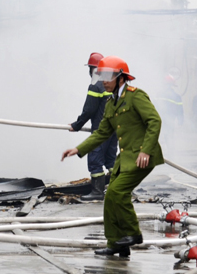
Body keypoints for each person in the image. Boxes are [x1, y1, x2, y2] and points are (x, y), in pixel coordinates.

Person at [62, 56, 163, 257]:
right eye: (102, 76)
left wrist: (145, 150)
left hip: (141, 157)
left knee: (117, 192)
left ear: (121, 77)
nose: (104, 80)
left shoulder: (136, 96)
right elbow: (101, 132)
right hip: (124, 159)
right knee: (110, 199)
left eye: (108, 76)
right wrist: (79, 149)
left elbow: (155, 121)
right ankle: (116, 243)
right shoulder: (111, 102)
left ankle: (133, 234)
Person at [69, 52, 116, 201]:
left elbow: (89, 110)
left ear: (93, 70)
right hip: (113, 130)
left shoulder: (95, 86)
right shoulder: (112, 85)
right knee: (111, 161)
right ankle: (120, 189)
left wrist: (76, 126)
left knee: (95, 160)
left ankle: (97, 192)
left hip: (100, 132)